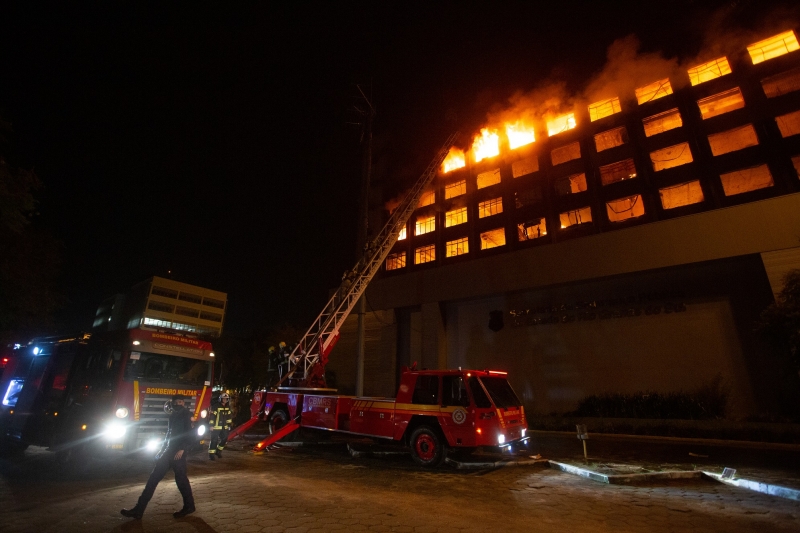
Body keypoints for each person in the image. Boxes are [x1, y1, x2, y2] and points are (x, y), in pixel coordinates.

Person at [120, 394, 196, 519]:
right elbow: (169, 434)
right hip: (168, 452)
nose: (179, 404)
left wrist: (183, 449)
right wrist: (162, 450)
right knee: (153, 479)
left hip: (178, 453)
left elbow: (191, 434)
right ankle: (139, 510)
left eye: (181, 402)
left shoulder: (187, 415)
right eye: (177, 402)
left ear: (184, 403)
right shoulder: (173, 416)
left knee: (181, 481)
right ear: (172, 403)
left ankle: (189, 506)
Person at [208, 392, 233, 460]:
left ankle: (218, 451)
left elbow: (229, 417)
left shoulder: (228, 407)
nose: (225, 400)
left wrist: (229, 425)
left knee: (225, 439)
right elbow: (212, 416)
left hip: (224, 427)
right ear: (220, 399)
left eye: (226, 399)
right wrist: (211, 425)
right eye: (223, 399)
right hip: (216, 427)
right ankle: (211, 454)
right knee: (214, 440)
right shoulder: (216, 406)